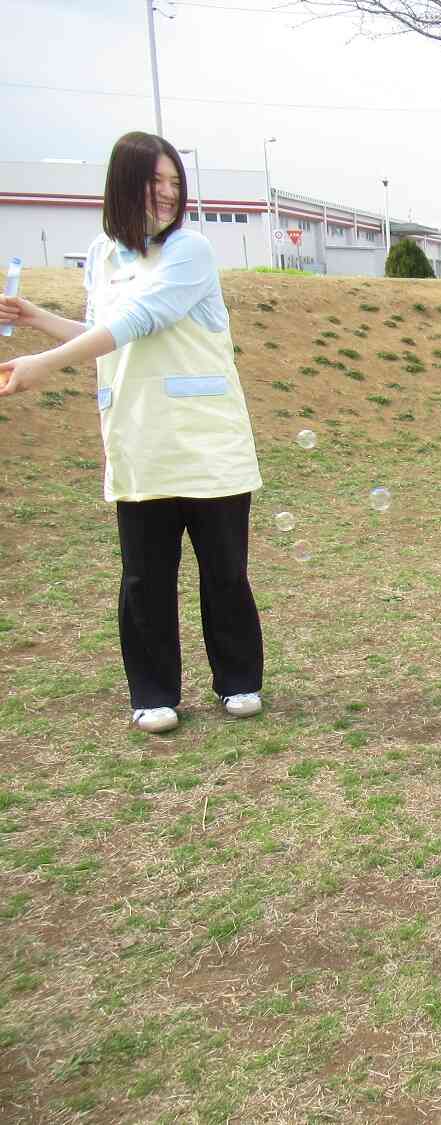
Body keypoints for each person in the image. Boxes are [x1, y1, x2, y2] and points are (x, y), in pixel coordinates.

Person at [0, 131, 265, 735]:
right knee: (144, 575)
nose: (169, 194)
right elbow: (104, 327)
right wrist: (36, 319)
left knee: (224, 570)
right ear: (126, 185)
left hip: (205, 438)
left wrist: (45, 365)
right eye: (157, 182)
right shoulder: (103, 255)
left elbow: (143, 318)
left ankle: (239, 681)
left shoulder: (191, 251)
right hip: (136, 436)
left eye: (175, 183)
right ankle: (153, 692)